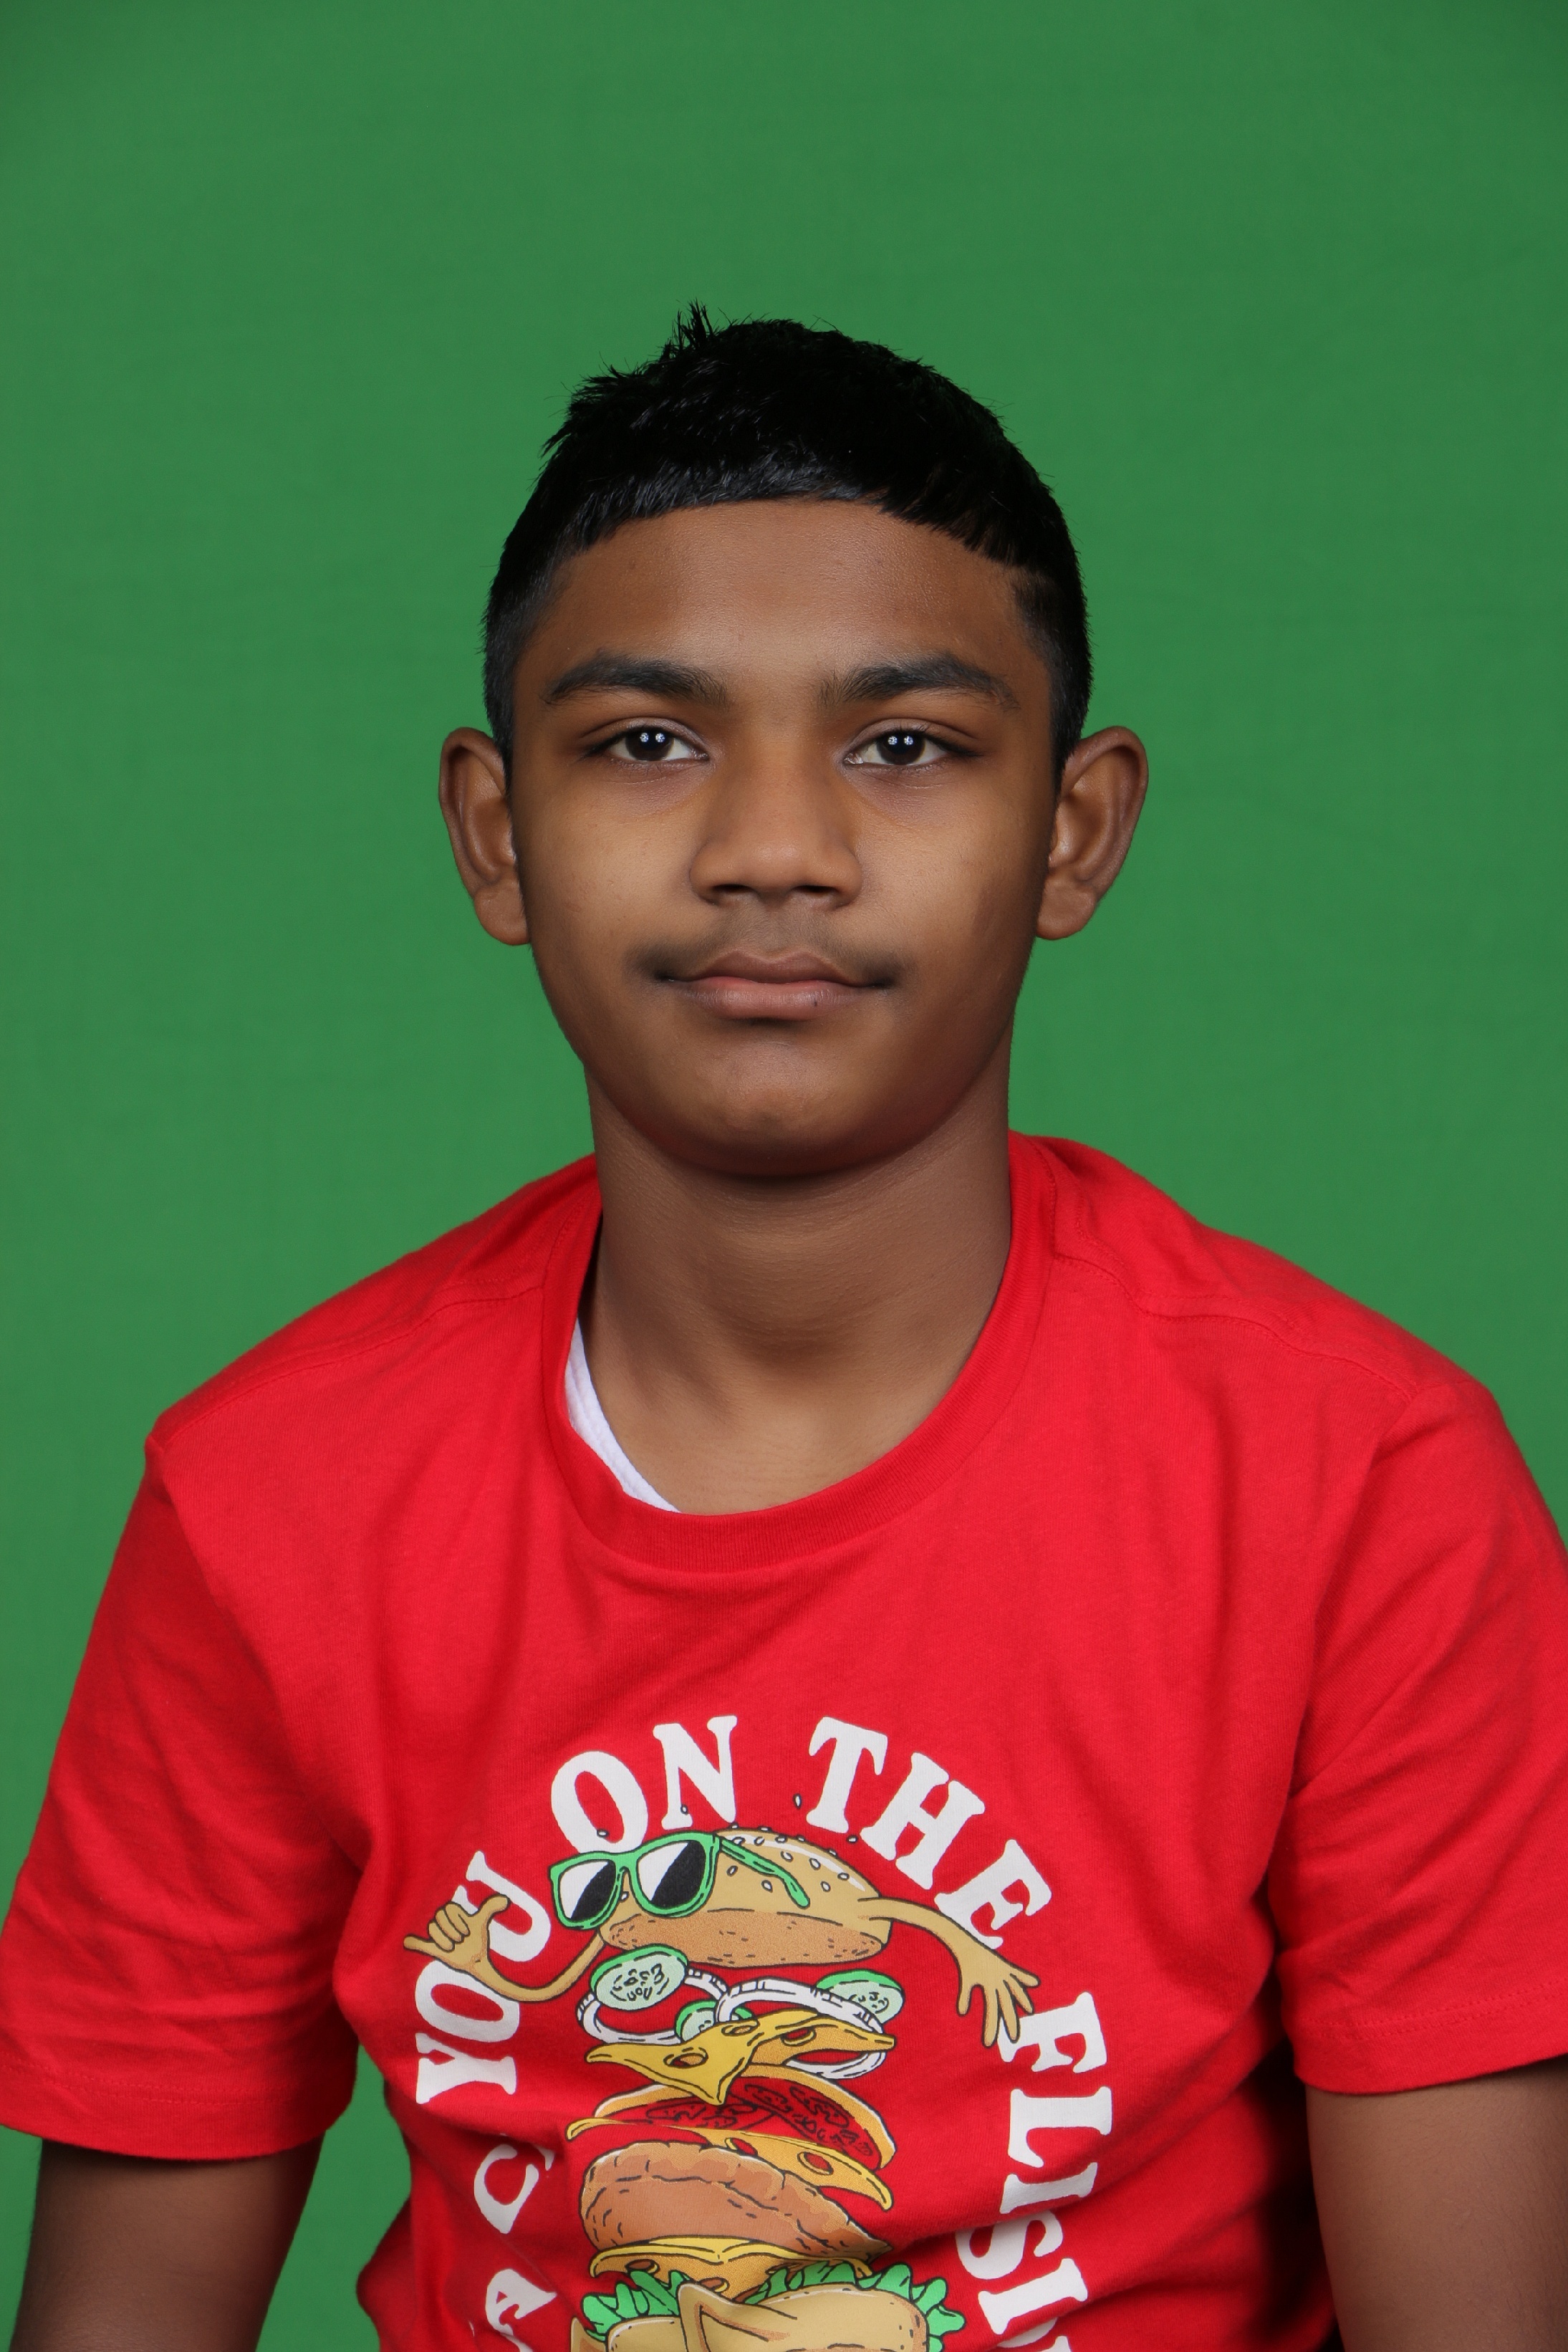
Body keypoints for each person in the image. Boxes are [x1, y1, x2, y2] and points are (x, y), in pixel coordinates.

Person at [1, 310, 1564, 2352]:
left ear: (1077, 827)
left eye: (903, 745)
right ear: (494, 829)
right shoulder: (266, 1500)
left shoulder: (1360, 1488)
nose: (772, 850)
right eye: (648, 741)